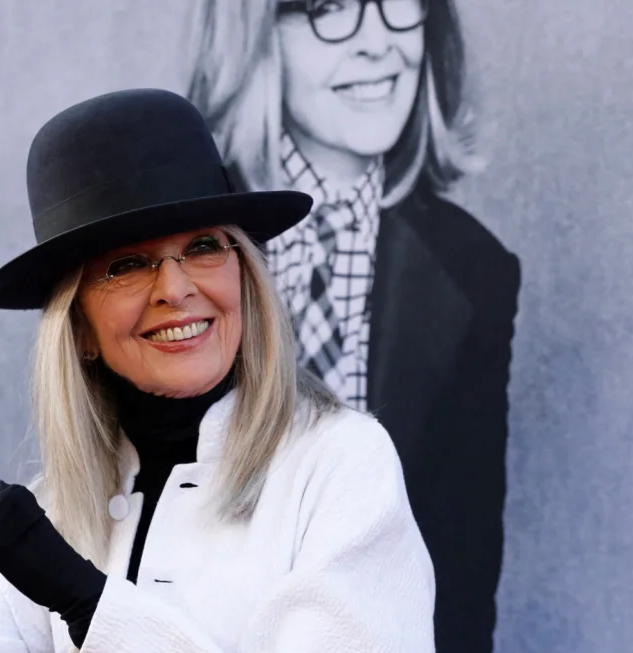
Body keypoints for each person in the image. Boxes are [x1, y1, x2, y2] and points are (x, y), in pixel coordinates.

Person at [0, 88, 435, 651]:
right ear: (78, 330)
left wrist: (81, 595)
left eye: (203, 247)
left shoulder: (340, 465)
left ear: (245, 275)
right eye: (127, 265)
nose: (176, 289)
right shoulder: (57, 508)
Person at [185, 1, 522, 651]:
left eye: (399, 4)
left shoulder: (474, 270)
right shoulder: (166, 232)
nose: (377, 42)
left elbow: (461, 568)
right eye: (327, 7)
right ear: (250, 34)